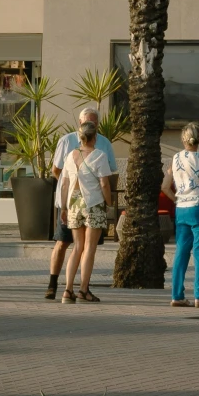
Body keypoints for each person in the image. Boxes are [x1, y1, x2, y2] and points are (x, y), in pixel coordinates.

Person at [44, 109, 117, 300]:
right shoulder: (100, 155)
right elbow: (104, 183)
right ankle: (83, 289)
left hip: (74, 203)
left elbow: (65, 182)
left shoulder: (71, 156)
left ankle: (67, 290)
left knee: (77, 247)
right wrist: (109, 203)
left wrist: (65, 207)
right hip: (93, 203)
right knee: (89, 248)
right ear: (94, 137)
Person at [168, 124, 199, 308]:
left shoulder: (175, 158)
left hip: (181, 207)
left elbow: (165, 185)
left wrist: (177, 198)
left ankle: (177, 295)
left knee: (181, 252)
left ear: (183, 139)